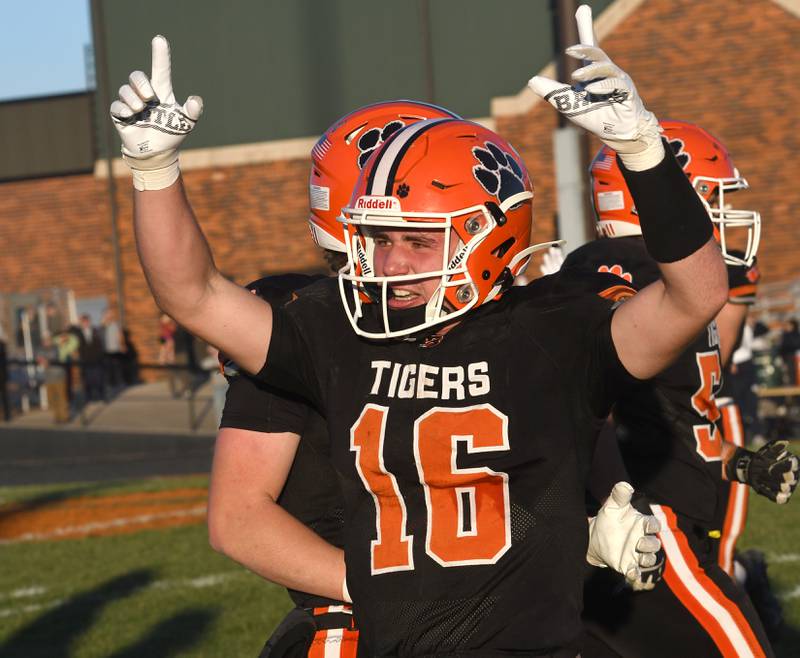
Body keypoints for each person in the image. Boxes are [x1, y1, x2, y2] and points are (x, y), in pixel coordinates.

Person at [113, 17, 724, 655]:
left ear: (491, 235)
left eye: (417, 240)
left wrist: (644, 153)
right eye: (380, 240)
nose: (393, 264)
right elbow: (192, 293)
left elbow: (698, 294)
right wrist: (154, 170)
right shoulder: (335, 328)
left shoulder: (556, 329)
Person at [208, 101, 462, 658]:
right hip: (357, 623)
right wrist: (374, 586)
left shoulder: (467, 318)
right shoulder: (303, 321)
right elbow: (238, 516)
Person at [564, 120, 797, 657]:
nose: (720, 215)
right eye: (709, 198)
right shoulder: (628, 271)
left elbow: (669, 422)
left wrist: (742, 464)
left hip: (665, 518)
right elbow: (592, 402)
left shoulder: (675, 284)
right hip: (648, 524)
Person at [77, 314, 106, 403]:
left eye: (87, 322)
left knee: (99, 379)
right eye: (83, 322)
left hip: (96, 360)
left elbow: (100, 345)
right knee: (87, 381)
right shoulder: (78, 333)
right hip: (86, 361)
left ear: (89, 322)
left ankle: (101, 397)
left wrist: (99, 356)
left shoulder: (95, 331)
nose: (85, 323)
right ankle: (89, 398)